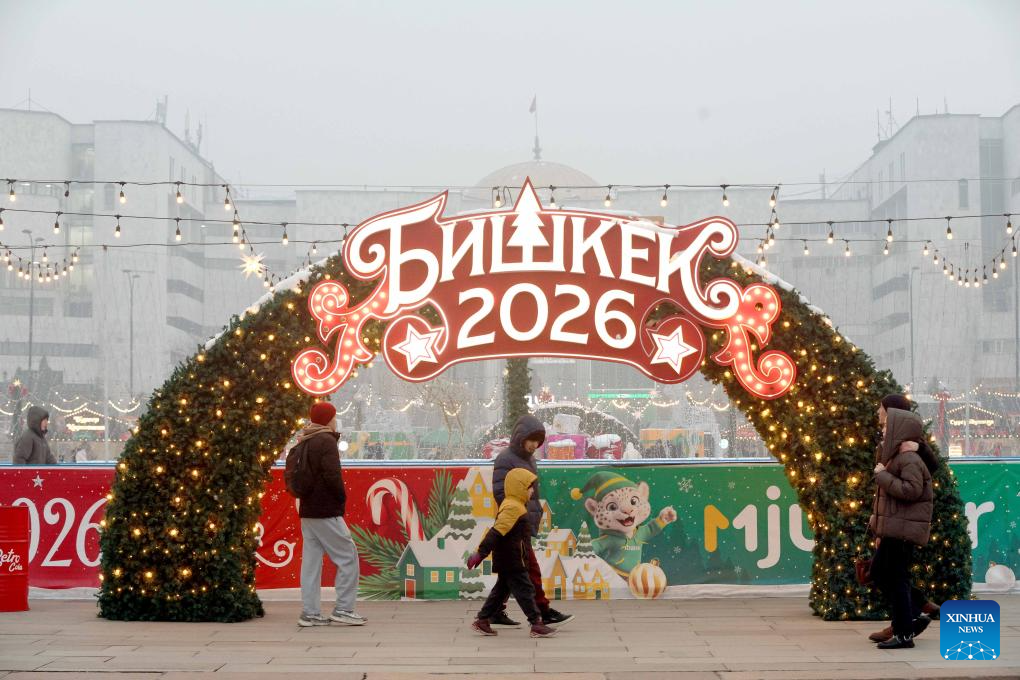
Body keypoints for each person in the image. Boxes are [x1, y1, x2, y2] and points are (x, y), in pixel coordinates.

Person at [867, 395, 941, 644]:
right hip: (895, 522)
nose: (879, 418)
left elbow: (912, 488)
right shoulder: (892, 448)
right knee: (885, 572)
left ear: (894, 416)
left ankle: (904, 627)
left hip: (903, 523)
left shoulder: (909, 450)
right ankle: (909, 618)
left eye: (882, 413)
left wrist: (881, 475)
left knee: (890, 574)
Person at [491, 414, 574, 628]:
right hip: (514, 523)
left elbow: (532, 494)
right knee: (529, 569)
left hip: (523, 521)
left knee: (511, 571)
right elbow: (501, 492)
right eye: (531, 440)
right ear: (520, 437)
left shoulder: (529, 459)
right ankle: (542, 611)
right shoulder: (505, 459)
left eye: (538, 441)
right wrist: (518, 515)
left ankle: (493, 612)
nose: (534, 445)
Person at [295, 401, 366, 628]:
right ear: (328, 419)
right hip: (325, 510)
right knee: (348, 557)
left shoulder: (305, 439)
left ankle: (310, 612)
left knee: (311, 563)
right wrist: (341, 499)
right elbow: (332, 476)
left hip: (307, 510)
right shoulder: (326, 441)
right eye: (334, 416)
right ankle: (344, 609)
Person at [468, 467, 557, 638]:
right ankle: (536, 623)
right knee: (526, 590)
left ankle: (482, 620)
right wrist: (481, 553)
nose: (532, 491)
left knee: (501, 591)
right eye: (530, 487)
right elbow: (496, 532)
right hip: (512, 559)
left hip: (511, 558)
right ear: (520, 487)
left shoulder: (515, 505)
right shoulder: (512, 508)